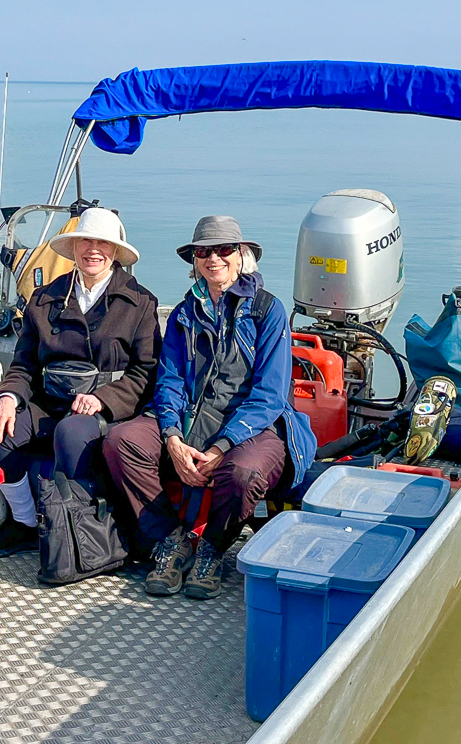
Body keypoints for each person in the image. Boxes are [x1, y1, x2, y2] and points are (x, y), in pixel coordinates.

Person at [103, 215, 317, 601]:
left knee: (245, 472)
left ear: (241, 255)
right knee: (122, 441)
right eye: (203, 252)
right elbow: (169, 382)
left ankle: (213, 549)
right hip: (189, 417)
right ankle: (170, 540)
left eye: (223, 249)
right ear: (194, 260)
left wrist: (221, 446)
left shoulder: (267, 311)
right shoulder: (184, 313)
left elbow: (269, 396)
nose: (213, 258)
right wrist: (172, 438)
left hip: (252, 424)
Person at [0, 206, 160, 558]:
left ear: (116, 252)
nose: (93, 250)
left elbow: (145, 372)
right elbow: (24, 363)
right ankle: (25, 523)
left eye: (102, 243)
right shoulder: (44, 298)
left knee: (72, 432)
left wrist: (104, 398)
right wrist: (7, 399)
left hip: (108, 408)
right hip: (50, 400)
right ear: (73, 247)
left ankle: (81, 530)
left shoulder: (140, 302)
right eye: (85, 241)